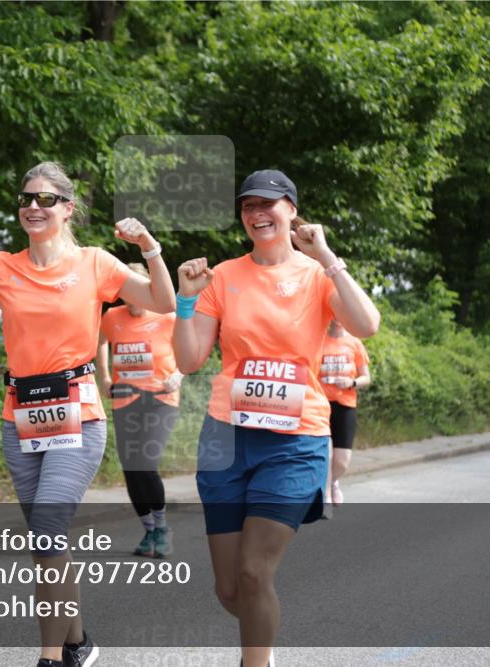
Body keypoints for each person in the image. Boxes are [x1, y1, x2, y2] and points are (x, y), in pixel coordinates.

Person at [0, 161, 174, 667]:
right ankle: (78, 643)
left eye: (45, 199)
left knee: (48, 533)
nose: (33, 206)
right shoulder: (4, 267)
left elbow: (162, 300)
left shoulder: (96, 264)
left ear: (67, 209)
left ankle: (51, 659)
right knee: (46, 545)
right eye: (26, 198)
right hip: (20, 417)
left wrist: (149, 250)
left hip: (79, 413)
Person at [173, 170, 380, 667]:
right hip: (226, 438)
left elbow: (366, 324)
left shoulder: (315, 274)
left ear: (291, 209)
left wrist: (327, 257)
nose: (257, 213)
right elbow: (188, 360)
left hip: (294, 441)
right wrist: (184, 300)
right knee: (229, 589)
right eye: (248, 206)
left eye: (269, 203)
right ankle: (262, 645)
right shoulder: (222, 276)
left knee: (252, 573)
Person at [97, 263, 184, 558]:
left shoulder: (168, 315)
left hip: (160, 397)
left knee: (145, 462)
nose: (132, 300)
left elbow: (191, 348)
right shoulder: (112, 317)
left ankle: (162, 527)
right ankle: (148, 530)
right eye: (126, 293)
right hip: (125, 398)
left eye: (138, 291)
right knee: (131, 470)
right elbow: (101, 342)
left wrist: (180, 373)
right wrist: (105, 378)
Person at [318, 319, 371, 506]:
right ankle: (324, 493)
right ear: (329, 318)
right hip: (320, 402)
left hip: (345, 403)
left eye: (342, 317)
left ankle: (333, 482)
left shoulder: (355, 343)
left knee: (342, 460)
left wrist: (352, 383)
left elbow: (366, 377)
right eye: (335, 316)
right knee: (325, 452)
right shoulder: (319, 340)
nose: (338, 321)